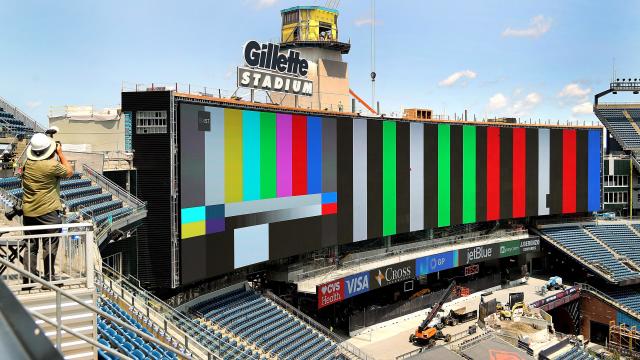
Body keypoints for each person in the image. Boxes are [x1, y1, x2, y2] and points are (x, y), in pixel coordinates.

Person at [21, 133, 73, 283]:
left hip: (29, 212)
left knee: (30, 245)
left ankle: (28, 281)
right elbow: (69, 171)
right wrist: (60, 153)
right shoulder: (51, 165)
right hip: (49, 212)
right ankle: (48, 278)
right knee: (49, 245)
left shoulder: (27, 164)